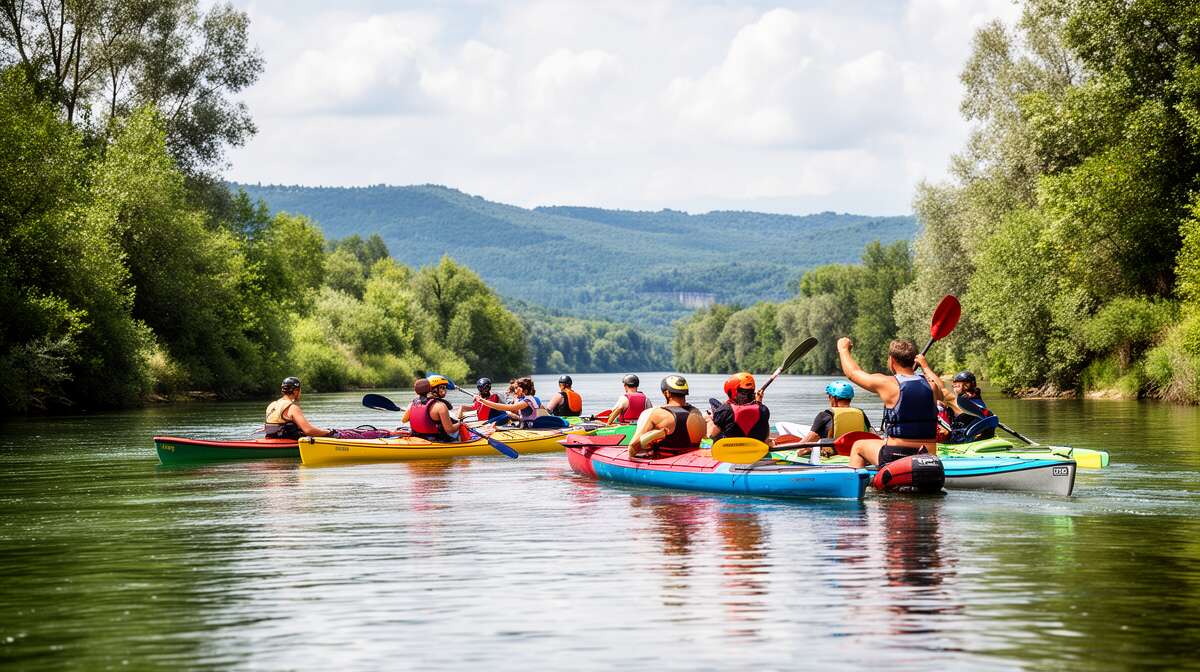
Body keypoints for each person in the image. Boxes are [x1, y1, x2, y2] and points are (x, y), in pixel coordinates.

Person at [837, 338, 939, 468]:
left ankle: (858, 484)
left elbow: (853, 373)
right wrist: (925, 367)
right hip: (929, 455)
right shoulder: (932, 386)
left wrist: (843, 349)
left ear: (892, 360)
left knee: (858, 446)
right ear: (914, 359)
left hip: (897, 455)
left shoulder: (887, 383)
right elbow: (943, 390)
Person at [628, 375, 705, 458]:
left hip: (665, 461)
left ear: (667, 393)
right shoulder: (697, 413)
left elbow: (632, 447)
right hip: (693, 459)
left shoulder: (658, 414)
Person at [800, 381, 871, 444]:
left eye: (829, 396)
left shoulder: (825, 415)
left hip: (832, 455)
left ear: (833, 398)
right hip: (855, 453)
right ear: (850, 398)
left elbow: (806, 442)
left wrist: (797, 452)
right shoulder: (860, 413)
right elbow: (871, 433)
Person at [706, 372, 770, 442]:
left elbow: (711, 435)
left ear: (732, 392)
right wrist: (759, 404)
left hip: (729, 448)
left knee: (709, 417)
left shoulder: (725, 410)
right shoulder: (763, 409)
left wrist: (710, 420)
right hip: (757, 448)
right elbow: (766, 436)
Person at [264, 376, 336, 438]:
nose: (300, 393)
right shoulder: (292, 407)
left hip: (273, 439)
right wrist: (329, 432)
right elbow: (308, 430)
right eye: (300, 390)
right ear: (295, 391)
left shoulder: (272, 405)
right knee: (334, 435)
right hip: (288, 442)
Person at [407, 374, 466, 442]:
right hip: (437, 440)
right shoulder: (441, 406)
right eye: (442, 388)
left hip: (417, 438)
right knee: (461, 429)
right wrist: (461, 424)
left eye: (445, 388)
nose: (445, 390)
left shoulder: (412, 404)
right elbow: (450, 430)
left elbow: (404, 420)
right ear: (433, 389)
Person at [475, 376, 544, 428]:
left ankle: (487, 425)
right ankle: (487, 425)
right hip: (525, 425)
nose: (515, 390)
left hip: (532, 427)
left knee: (507, 414)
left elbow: (508, 408)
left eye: (517, 388)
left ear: (525, 390)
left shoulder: (527, 401)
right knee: (506, 415)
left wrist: (482, 400)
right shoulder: (524, 399)